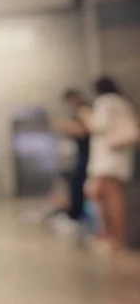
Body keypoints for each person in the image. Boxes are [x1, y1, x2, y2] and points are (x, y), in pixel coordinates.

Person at [80, 77, 137, 250]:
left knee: (110, 196)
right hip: (120, 156)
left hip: (108, 157)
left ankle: (114, 238)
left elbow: (98, 126)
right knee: (111, 195)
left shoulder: (105, 102)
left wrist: (85, 115)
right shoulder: (123, 102)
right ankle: (115, 237)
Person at [55, 89, 91, 224]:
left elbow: (86, 131)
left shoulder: (85, 110)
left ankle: (78, 215)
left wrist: (69, 127)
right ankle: (75, 214)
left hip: (88, 155)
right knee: (75, 185)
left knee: (79, 185)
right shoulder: (79, 112)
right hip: (81, 154)